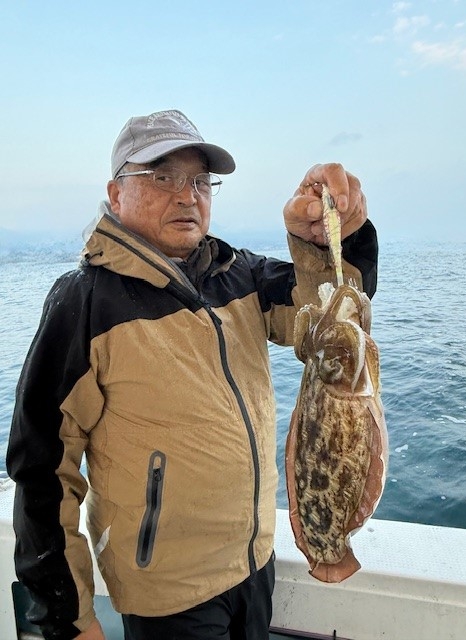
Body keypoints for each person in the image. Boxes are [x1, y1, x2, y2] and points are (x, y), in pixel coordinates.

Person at [7, 109, 378, 640]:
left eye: (201, 181)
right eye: (163, 177)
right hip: (169, 596)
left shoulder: (240, 273)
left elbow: (331, 315)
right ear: (115, 194)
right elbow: (43, 469)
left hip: (254, 567)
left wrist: (327, 237)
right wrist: (68, 619)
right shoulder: (85, 302)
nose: (187, 196)